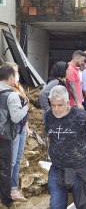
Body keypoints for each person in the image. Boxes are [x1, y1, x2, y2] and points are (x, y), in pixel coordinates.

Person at [45, 86, 86, 209]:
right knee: (55, 205)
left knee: (85, 205)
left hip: (80, 170)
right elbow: (50, 135)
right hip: (57, 169)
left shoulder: (82, 117)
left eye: (60, 105)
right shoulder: (49, 115)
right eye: (53, 105)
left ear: (68, 103)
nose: (56, 109)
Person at [0, 65, 29, 208]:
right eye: (15, 73)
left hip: (5, 132)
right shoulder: (11, 94)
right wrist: (26, 107)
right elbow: (17, 117)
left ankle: (11, 189)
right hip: (7, 134)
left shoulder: (14, 89)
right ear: (11, 77)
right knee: (8, 165)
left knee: (10, 163)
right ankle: (7, 197)